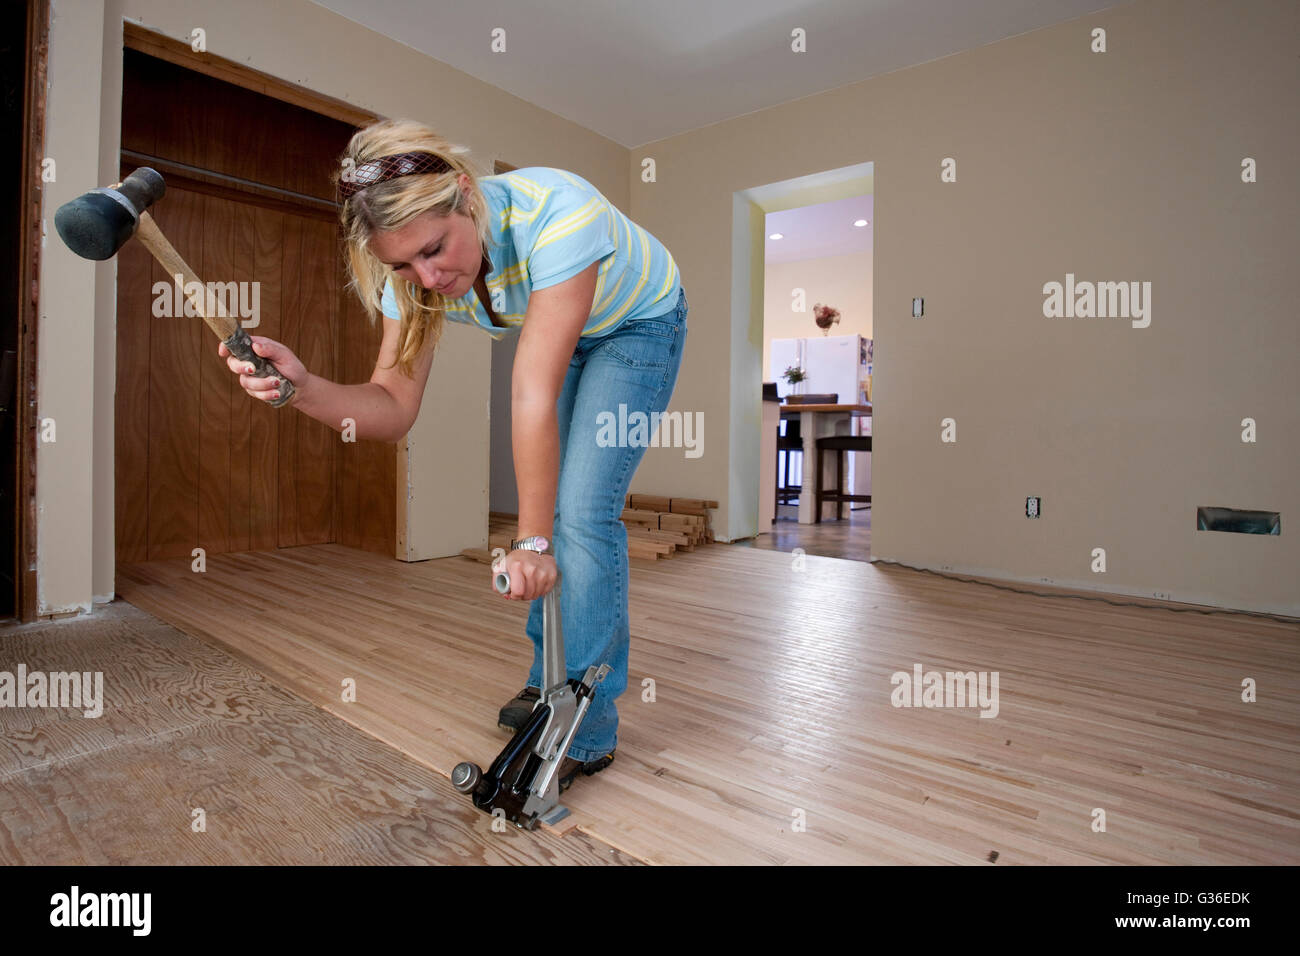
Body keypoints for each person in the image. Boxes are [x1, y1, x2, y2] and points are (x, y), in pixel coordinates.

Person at [218, 118, 687, 792]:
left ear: (465, 194)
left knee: (578, 514)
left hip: (636, 323)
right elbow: (390, 408)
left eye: (435, 249)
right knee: (550, 508)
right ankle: (545, 681)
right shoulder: (411, 281)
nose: (428, 277)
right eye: (402, 264)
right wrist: (301, 388)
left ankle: (585, 727)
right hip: (567, 333)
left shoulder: (560, 212)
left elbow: (530, 392)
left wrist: (530, 540)